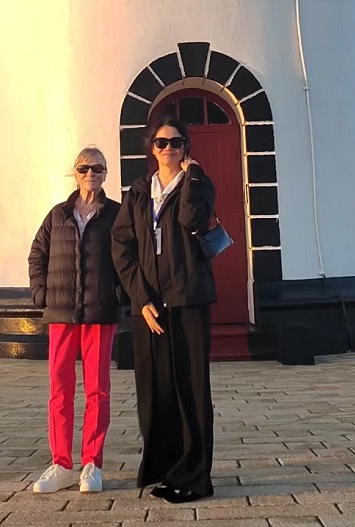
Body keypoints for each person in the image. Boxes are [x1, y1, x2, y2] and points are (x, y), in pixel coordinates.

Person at [111, 116, 217, 504]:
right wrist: (140, 300)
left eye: (176, 142)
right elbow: (121, 247)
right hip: (150, 306)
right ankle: (166, 469)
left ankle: (195, 477)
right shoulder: (139, 192)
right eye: (161, 142)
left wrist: (193, 177)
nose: (168, 149)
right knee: (157, 389)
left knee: (191, 389)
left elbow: (191, 219)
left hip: (187, 301)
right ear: (151, 148)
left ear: (185, 147)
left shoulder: (199, 184)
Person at [28, 146, 121, 494]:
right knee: (60, 389)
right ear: (75, 172)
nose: (90, 174)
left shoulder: (116, 214)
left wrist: (118, 293)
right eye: (84, 168)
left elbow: (129, 256)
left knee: (98, 390)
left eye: (97, 168)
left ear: (105, 173)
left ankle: (92, 463)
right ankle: (62, 464)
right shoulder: (58, 215)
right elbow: (37, 254)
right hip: (61, 312)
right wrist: (41, 294)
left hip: (100, 312)